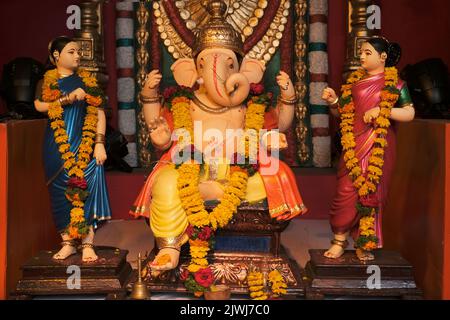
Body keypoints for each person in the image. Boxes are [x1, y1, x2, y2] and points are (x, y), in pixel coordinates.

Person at [322, 36, 415, 261]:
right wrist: (334, 101)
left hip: (380, 146)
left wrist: (383, 112)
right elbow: (343, 114)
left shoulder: (396, 85)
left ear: (382, 57)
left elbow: (409, 113)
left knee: (372, 193)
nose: (361, 57)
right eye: (361, 53)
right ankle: (339, 240)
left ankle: (365, 242)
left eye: (367, 53)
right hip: (354, 145)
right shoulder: (355, 83)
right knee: (345, 191)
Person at [35, 36, 111, 263]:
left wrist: (99, 143)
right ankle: (67, 242)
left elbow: (99, 113)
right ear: (57, 56)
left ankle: (87, 243)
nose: (77, 55)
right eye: (71, 51)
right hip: (56, 147)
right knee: (60, 193)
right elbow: (39, 106)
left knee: (85, 189)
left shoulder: (87, 82)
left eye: (78, 52)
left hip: (84, 146)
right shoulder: (47, 82)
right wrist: (67, 98)